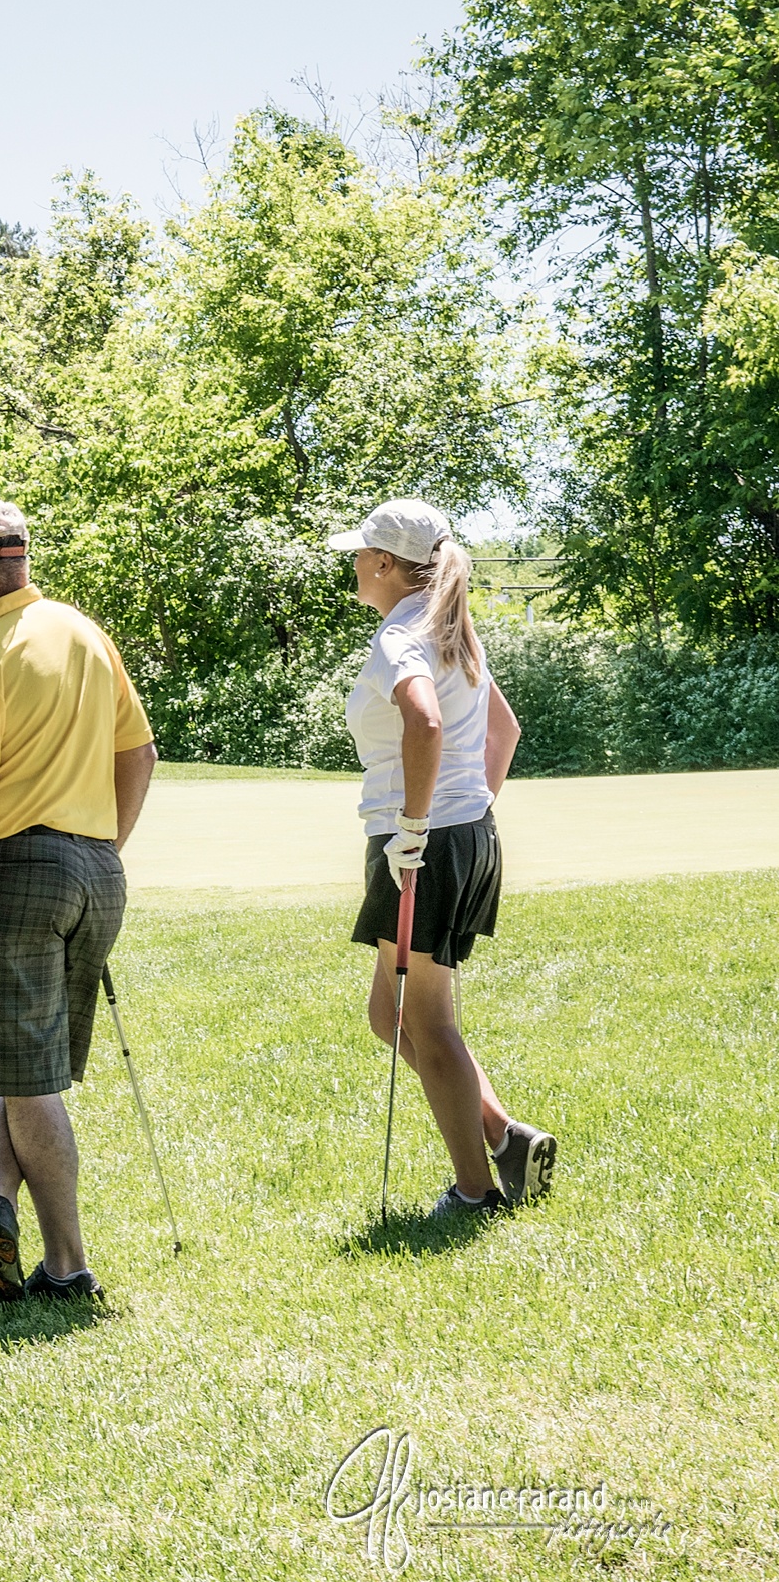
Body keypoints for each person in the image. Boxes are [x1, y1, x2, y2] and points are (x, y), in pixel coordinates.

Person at [0, 496, 157, 1304]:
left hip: (16, 872)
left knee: (29, 1081)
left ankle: (67, 1266)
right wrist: (98, 849)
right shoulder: (82, 631)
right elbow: (139, 754)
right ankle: (0, 1206)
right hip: (95, 872)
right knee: (24, 1067)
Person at [329, 498, 555, 1217]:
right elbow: (505, 731)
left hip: (422, 843)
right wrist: (466, 812)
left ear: (388, 567)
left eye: (363, 555)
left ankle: (476, 1191)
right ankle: (501, 1135)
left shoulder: (402, 637)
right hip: (458, 835)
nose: (355, 565)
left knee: (426, 1018)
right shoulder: (451, 631)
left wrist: (419, 826)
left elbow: (423, 720)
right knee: (387, 1012)